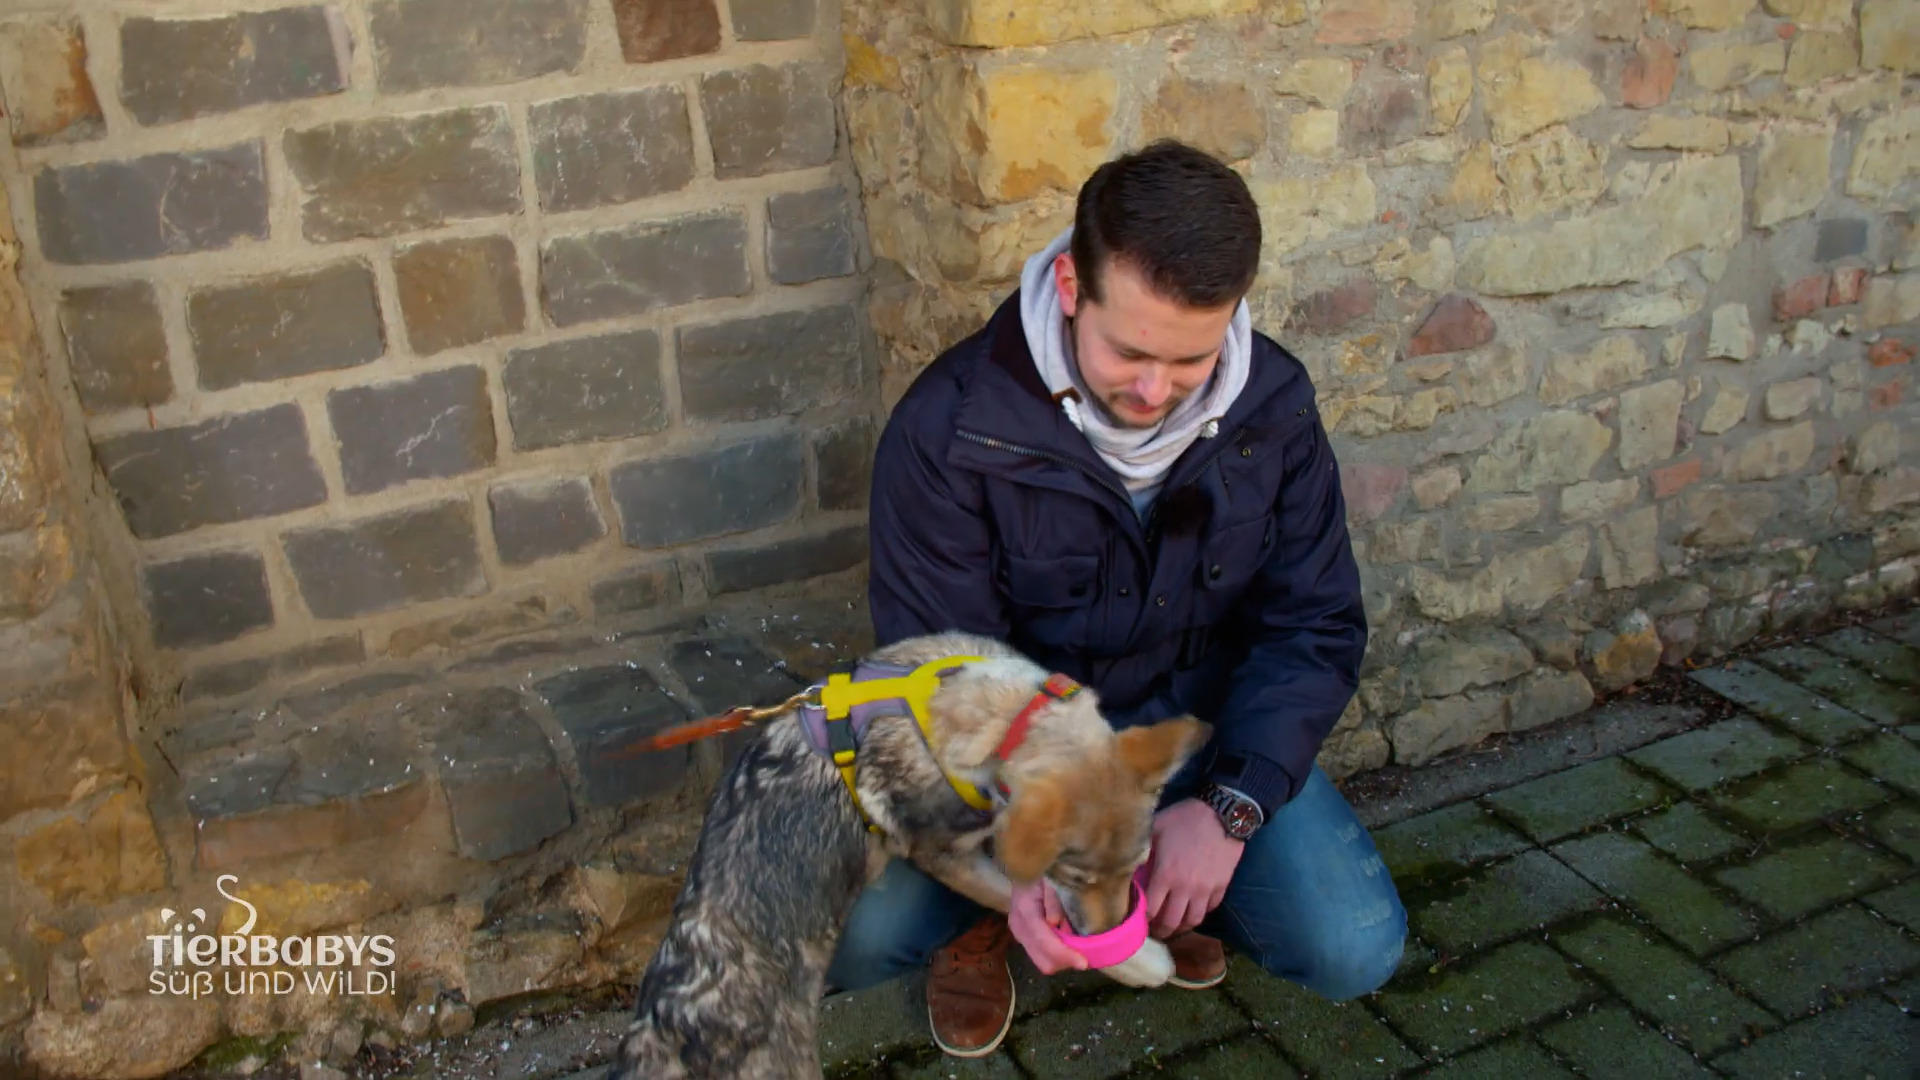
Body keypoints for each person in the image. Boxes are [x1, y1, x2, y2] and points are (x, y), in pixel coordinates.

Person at [829, 139, 1406, 1058]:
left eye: (1189, 360)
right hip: (1022, 768)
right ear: (1069, 284)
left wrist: (1229, 813)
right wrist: (1007, 866)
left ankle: (1162, 889)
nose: (1155, 391)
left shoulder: (1275, 406)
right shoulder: (949, 429)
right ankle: (983, 926)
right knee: (857, 934)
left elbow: (1314, 622)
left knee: (1350, 948)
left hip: (1194, 739)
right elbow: (945, 682)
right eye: (1130, 350)